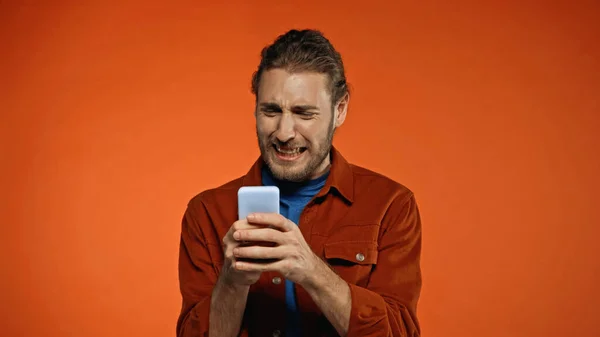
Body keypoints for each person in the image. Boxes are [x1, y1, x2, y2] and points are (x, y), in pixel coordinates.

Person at [176, 29, 422, 337]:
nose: (283, 132)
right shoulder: (206, 212)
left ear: (340, 109)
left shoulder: (392, 206)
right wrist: (232, 281)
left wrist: (311, 270)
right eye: (271, 111)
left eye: (304, 113)